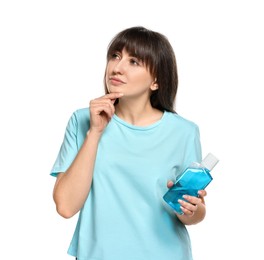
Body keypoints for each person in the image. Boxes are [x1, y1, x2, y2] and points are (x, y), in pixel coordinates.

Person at [51, 26, 207, 260]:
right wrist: (95, 132)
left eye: (134, 61)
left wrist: (191, 210)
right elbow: (65, 206)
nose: (117, 67)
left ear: (156, 81)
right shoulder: (82, 120)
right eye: (115, 56)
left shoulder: (183, 132)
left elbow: (195, 211)